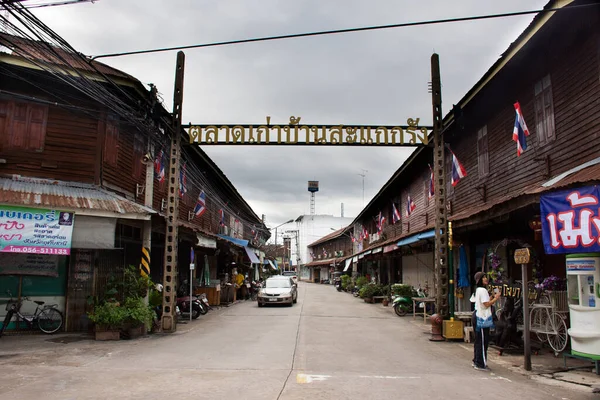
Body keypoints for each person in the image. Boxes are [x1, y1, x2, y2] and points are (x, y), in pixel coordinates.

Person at [471, 271, 500, 371]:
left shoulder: (479, 290)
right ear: (480, 280)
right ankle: (480, 364)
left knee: (478, 340)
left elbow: (484, 301)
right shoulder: (482, 290)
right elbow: (486, 304)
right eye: (483, 277)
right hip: (482, 317)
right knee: (483, 341)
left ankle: (476, 360)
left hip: (478, 315)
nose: (485, 279)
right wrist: (495, 299)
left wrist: (491, 297)